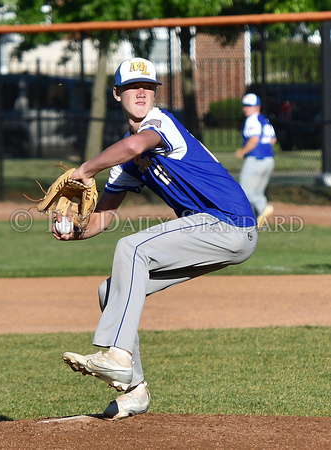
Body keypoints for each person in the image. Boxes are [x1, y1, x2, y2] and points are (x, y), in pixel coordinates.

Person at [53, 57, 258, 421]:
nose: (142, 92)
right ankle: (136, 392)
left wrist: (85, 169)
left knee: (132, 249)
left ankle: (118, 357)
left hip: (228, 222)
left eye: (148, 86)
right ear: (117, 94)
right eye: (133, 87)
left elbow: (135, 147)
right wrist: (74, 231)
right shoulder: (126, 165)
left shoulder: (159, 123)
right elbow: (104, 215)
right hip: (214, 231)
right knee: (110, 290)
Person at [235, 93, 277, 228]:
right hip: (269, 160)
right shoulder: (264, 120)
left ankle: (263, 207)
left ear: (257, 107)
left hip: (256, 159)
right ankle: (262, 222)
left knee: (245, 190)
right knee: (258, 191)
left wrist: (242, 152)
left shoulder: (252, 120)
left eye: (249, 106)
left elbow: (254, 139)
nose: (246, 108)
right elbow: (273, 140)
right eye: (244, 106)